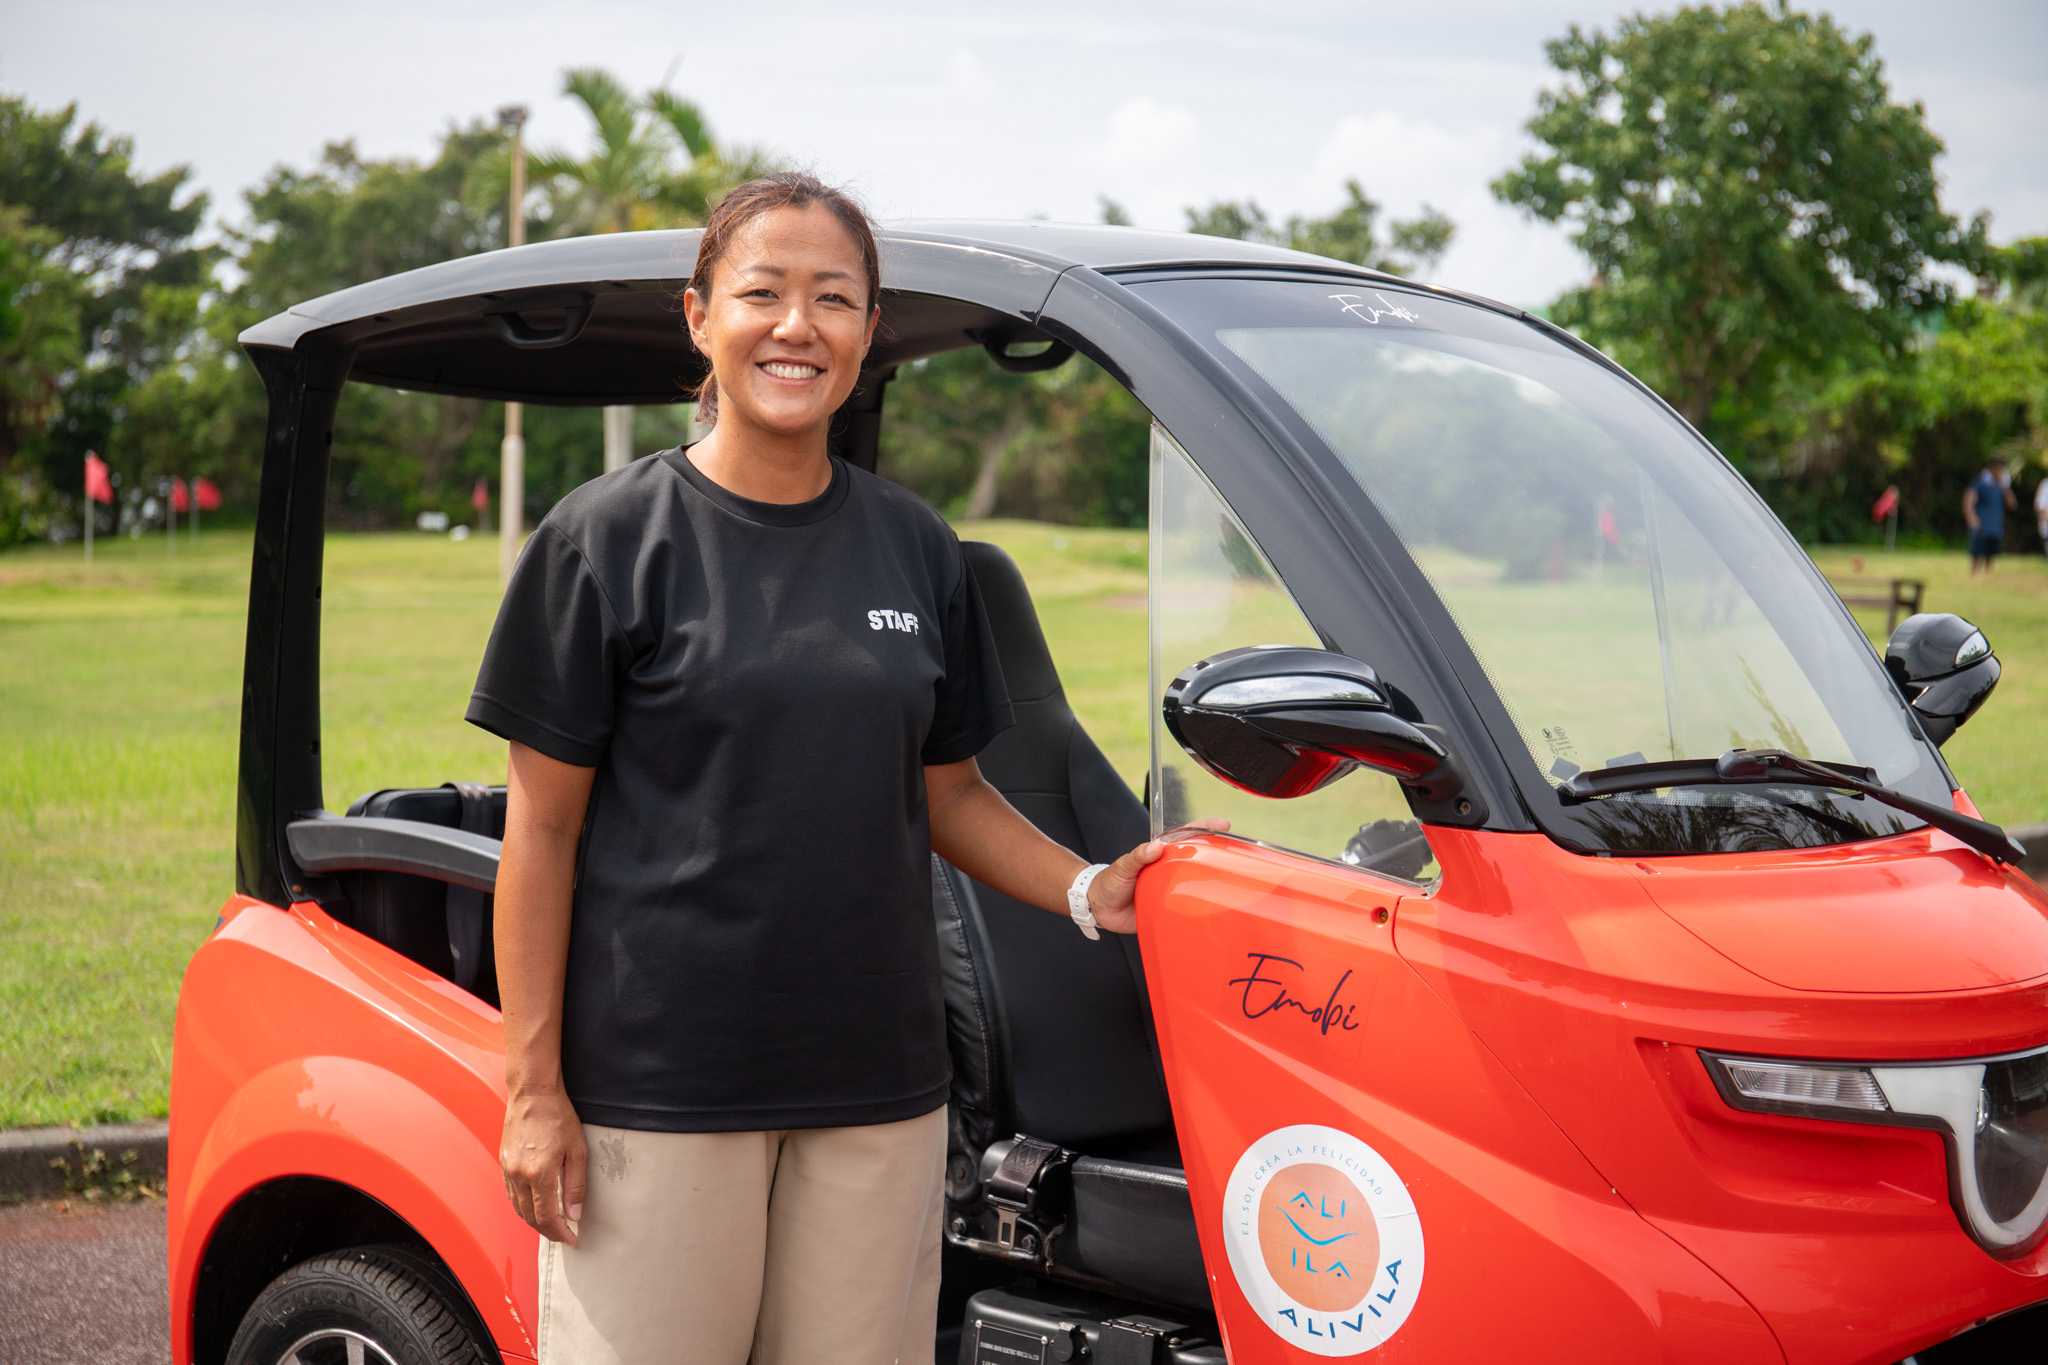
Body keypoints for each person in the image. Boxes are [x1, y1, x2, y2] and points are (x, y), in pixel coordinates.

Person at [470, 173, 1208, 1365]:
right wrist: (531, 1090)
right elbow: (541, 836)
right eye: (762, 291)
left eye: (835, 298)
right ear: (701, 316)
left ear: (868, 331)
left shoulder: (915, 546)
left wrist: (1083, 889)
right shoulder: (605, 540)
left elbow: (950, 795)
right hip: (662, 1093)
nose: (797, 325)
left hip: (879, 1093)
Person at [1964, 456, 2016, 573]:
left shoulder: (2001, 485)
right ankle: (1974, 573)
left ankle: (1988, 574)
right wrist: (1971, 518)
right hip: (1981, 523)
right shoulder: (1979, 483)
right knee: (1977, 551)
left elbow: (2012, 505)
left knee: (1991, 552)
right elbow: (1968, 501)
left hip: (1995, 523)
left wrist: (2006, 487)